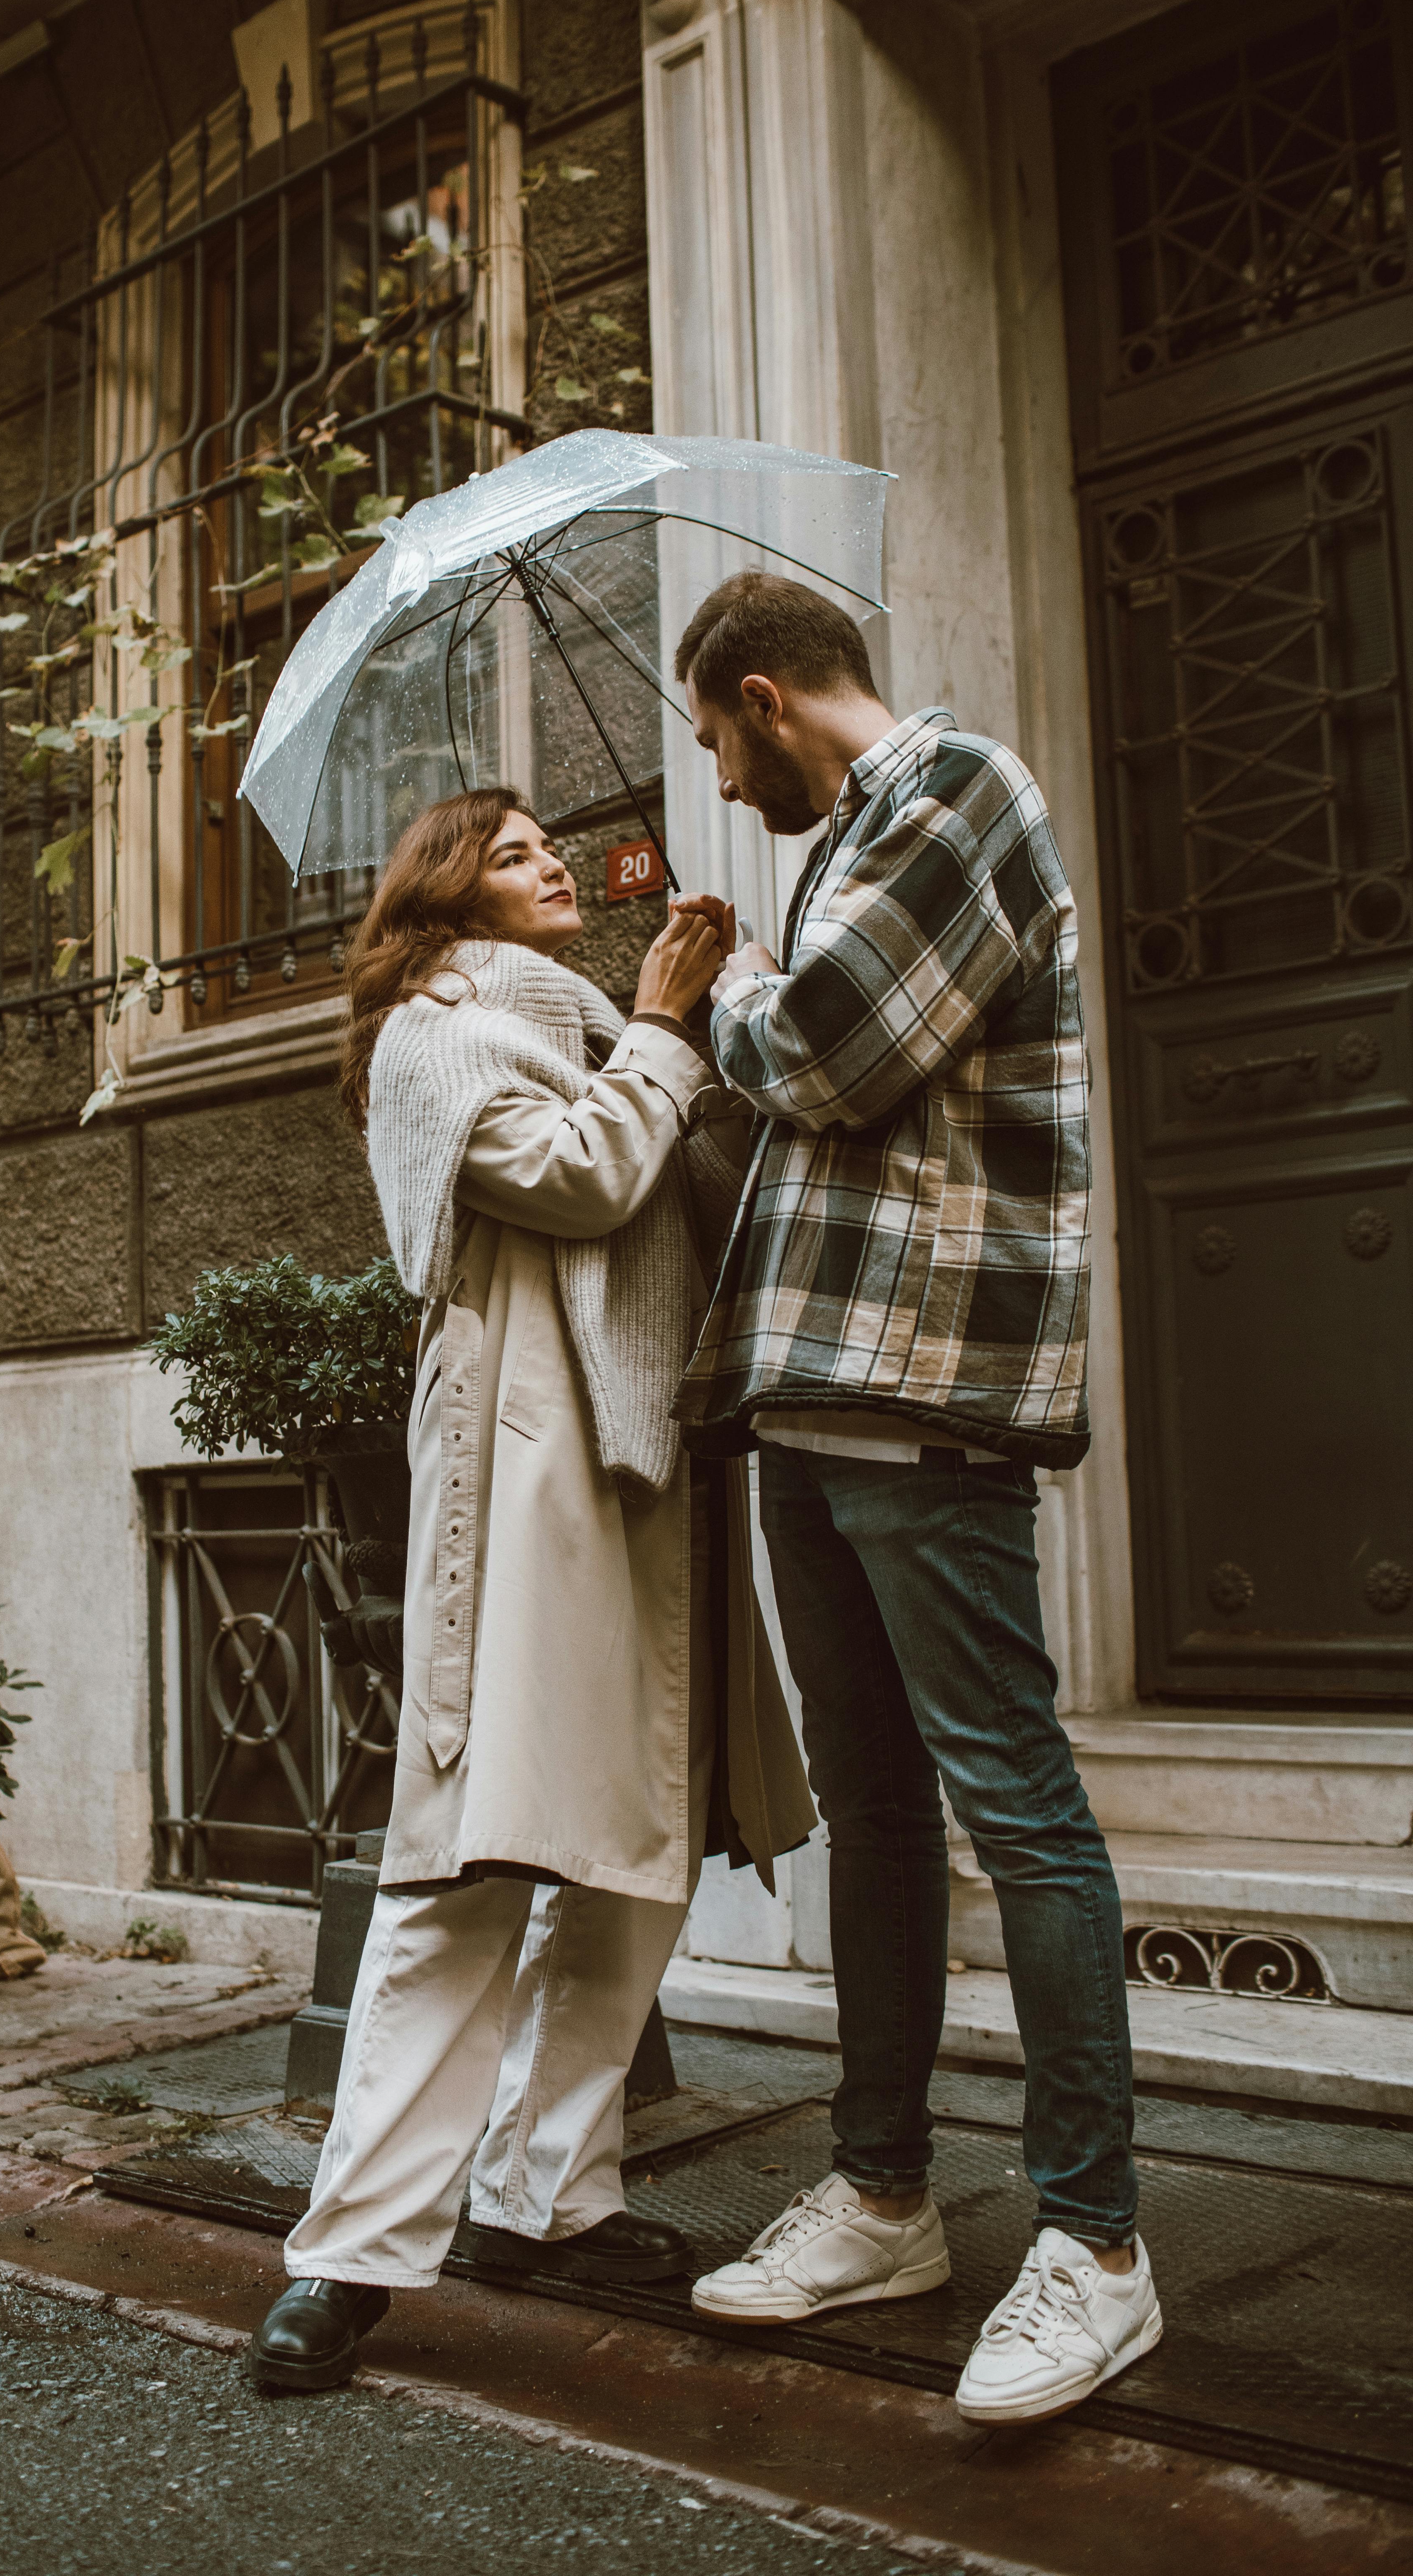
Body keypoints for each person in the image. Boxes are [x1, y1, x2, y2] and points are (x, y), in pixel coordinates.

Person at [248, 785, 813, 2396]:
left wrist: (716, 1032)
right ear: (446, 896)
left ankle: (549, 2191)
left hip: (650, 1451)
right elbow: (579, 1178)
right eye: (510, 853)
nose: (553, 861)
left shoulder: (578, 1020)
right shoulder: (432, 1028)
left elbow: (681, 1185)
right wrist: (661, 1032)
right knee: (477, 1854)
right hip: (531, 1461)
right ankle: (348, 2252)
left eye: (551, 844)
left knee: (632, 1838)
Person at [671, 571, 1159, 2428]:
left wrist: (719, 990)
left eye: (720, 740)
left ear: (767, 694)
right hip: (815, 1403)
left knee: (1013, 1808)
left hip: (931, 1392)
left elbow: (823, 1057)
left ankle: (1098, 2247)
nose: (726, 780)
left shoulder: (961, 796)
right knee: (870, 1815)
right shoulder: (861, 838)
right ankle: (885, 2197)